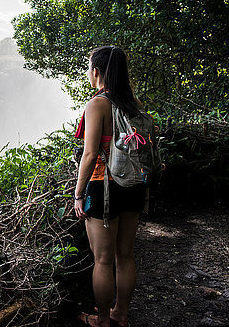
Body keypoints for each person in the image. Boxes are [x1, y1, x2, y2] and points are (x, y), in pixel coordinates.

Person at [73, 46, 146, 327]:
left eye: (89, 66)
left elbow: (90, 154)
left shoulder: (97, 104)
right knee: (125, 255)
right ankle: (121, 314)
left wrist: (78, 194)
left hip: (104, 186)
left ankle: (103, 320)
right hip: (134, 183)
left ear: (97, 71)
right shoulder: (134, 104)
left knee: (103, 260)